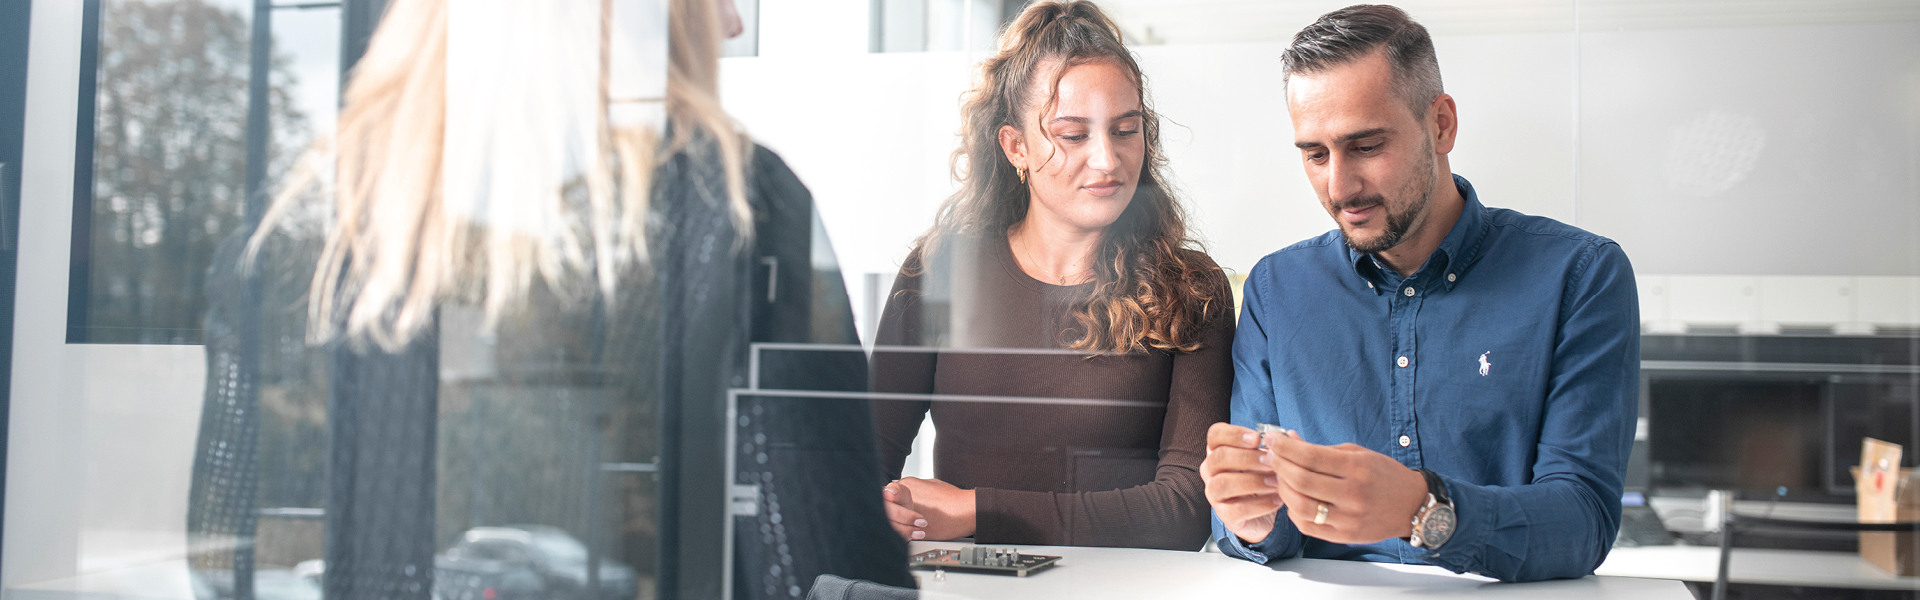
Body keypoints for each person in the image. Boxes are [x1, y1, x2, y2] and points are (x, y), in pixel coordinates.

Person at [187, 0, 911, 599]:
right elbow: (824, 568)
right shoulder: (732, 205)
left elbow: (223, 557)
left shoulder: (296, 227)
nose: (731, 24)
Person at [1199, 4, 1639, 583]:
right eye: (1315, 154)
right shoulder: (1276, 290)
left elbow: (1582, 519)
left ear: (1441, 125)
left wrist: (1423, 509)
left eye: (1366, 145)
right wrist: (1249, 518)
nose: (1339, 186)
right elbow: (1269, 535)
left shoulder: (1581, 276)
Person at [869, 0, 1234, 551]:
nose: (1108, 161)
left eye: (1125, 130)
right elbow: (864, 459)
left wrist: (975, 510)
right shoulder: (940, 267)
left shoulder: (1190, 287)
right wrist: (885, 510)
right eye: (1072, 135)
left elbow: (1185, 508)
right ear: (1016, 146)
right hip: (964, 587)